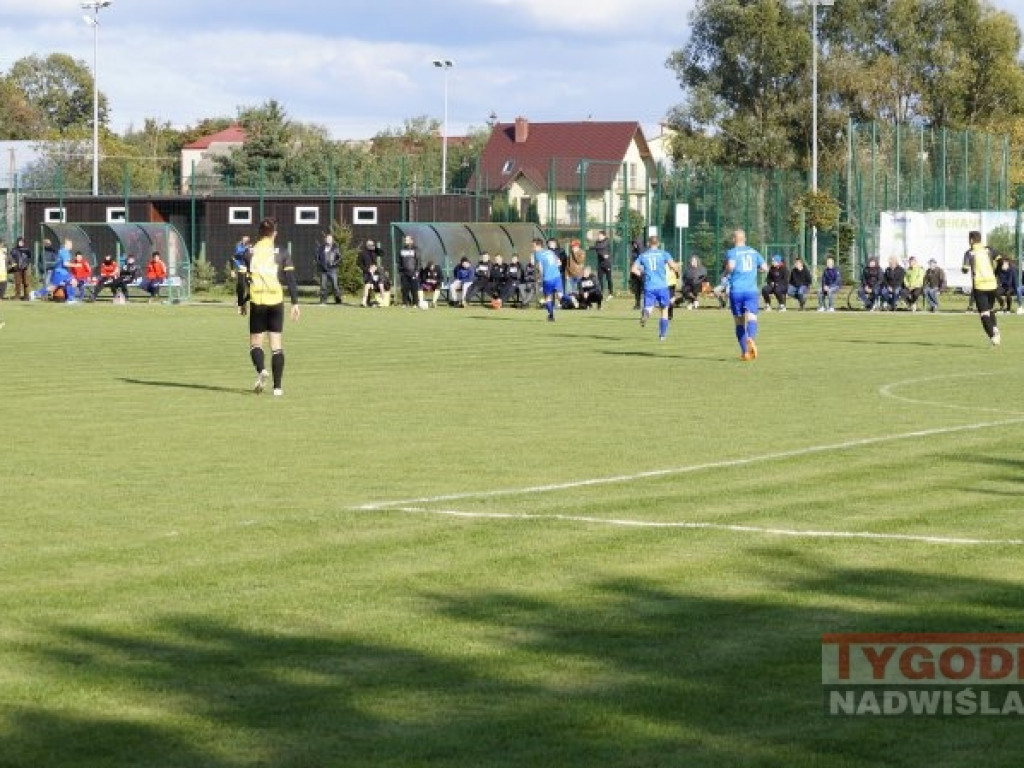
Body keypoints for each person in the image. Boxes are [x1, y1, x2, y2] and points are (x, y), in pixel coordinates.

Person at [239, 217, 300, 395]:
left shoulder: (248, 252)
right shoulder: (281, 252)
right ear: (274, 233)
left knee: (255, 344)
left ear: (259, 233)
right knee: (276, 346)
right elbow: (290, 279)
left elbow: (242, 282)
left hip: (257, 302)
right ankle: (278, 388)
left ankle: (261, 370)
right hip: (276, 303)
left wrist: (242, 301)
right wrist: (295, 303)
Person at [723, 229, 767, 361]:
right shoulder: (754, 252)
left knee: (739, 322)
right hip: (751, 290)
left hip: (736, 291)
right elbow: (765, 268)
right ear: (745, 239)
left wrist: (726, 272)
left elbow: (730, 266)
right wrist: (755, 269)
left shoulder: (732, 252)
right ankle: (751, 339)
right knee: (752, 318)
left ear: (733, 239)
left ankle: (745, 352)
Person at [630, 235, 678, 341]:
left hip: (649, 286)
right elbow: (674, 266)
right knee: (664, 310)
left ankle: (646, 313)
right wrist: (674, 267)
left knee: (648, 307)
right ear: (658, 243)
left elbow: (633, 269)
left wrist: (642, 274)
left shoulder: (643, 255)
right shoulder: (664, 254)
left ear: (648, 243)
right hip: (662, 286)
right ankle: (662, 335)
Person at [962, 230, 1000, 346]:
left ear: (972, 240)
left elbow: (965, 269)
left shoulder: (969, 253)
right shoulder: (989, 249)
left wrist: (964, 269)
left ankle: (993, 336)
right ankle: (994, 328)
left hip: (980, 285)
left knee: (984, 314)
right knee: (990, 309)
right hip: (992, 284)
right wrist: (995, 273)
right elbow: (1000, 260)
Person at [532, 238, 562, 322]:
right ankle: (571, 299)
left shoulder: (537, 254)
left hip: (547, 278)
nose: (532, 248)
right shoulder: (550, 252)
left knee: (547, 297)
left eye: (533, 246)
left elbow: (540, 267)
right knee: (559, 295)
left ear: (538, 245)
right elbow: (559, 262)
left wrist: (540, 277)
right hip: (557, 276)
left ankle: (551, 316)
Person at [397, 234, 423, 308]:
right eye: (405, 240)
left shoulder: (416, 249)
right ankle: (404, 303)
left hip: (413, 272)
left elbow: (418, 261)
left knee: (414, 288)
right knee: (404, 289)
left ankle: (415, 303)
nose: (405, 241)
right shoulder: (402, 250)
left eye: (407, 239)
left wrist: (417, 271)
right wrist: (400, 271)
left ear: (411, 241)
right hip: (404, 273)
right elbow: (399, 261)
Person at [316, 232, 342, 305]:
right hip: (323, 269)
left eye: (330, 239)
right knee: (323, 286)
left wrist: (334, 264)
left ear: (332, 240)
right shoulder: (320, 248)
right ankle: (323, 301)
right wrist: (321, 265)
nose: (328, 240)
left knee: (335, 286)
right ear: (325, 239)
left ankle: (338, 300)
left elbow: (339, 257)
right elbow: (317, 258)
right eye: (327, 239)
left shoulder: (335, 248)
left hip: (332, 269)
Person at [358, 239, 380, 307]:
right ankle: (364, 302)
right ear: (367, 245)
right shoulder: (362, 253)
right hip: (366, 272)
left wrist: (374, 267)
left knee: (372, 286)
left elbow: (381, 253)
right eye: (369, 244)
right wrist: (367, 269)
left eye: (372, 244)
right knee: (367, 285)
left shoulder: (374, 252)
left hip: (374, 272)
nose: (370, 246)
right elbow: (359, 263)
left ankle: (370, 301)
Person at [9, 237, 32, 301]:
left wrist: (26, 264)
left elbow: (30, 258)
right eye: (19, 242)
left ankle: (26, 296)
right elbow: (11, 258)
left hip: (25, 268)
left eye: (22, 242)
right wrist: (13, 264)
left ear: (24, 243)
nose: (20, 243)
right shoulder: (14, 250)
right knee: (17, 282)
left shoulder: (27, 250)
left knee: (26, 282)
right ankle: (17, 295)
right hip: (17, 268)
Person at [594, 230, 613, 295]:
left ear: (604, 236)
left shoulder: (607, 241)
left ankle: (610, 292)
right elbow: (597, 249)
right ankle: (601, 292)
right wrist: (602, 254)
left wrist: (606, 255)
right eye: (598, 235)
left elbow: (602, 247)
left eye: (600, 235)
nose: (598, 236)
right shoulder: (597, 242)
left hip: (607, 263)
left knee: (609, 278)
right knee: (599, 279)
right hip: (600, 263)